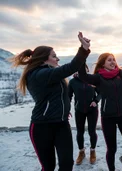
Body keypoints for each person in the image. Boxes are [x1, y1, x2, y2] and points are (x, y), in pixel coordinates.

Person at [9, 32, 91, 171]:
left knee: (66, 165)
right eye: (54, 56)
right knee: (48, 167)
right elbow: (70, 68)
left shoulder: (51, 74)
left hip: (61, 125)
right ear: (43, 60)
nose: (57, 59)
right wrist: (83, 49)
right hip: (42, 127)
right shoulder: (38, 75)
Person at [77, 48, 122, 171]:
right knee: (112, 149)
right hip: (108, 117)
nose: (113, 62)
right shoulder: (98, 78)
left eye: (114, 59)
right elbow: (83, 75)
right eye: (109, 60)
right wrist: (82, 56)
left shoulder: (121, 74)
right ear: (103, 63)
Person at [68, 64, 101, 165]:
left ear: (87, 69)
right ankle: (81, 152)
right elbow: (68, 97)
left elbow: (100, 93)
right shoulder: (72, 82)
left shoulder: (92, 80)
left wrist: (96, 101)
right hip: (79, 110)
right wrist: (66, 109)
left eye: (83, 69)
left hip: (92, 110)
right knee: (80, 132)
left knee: (92, 132)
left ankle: (92, 151)